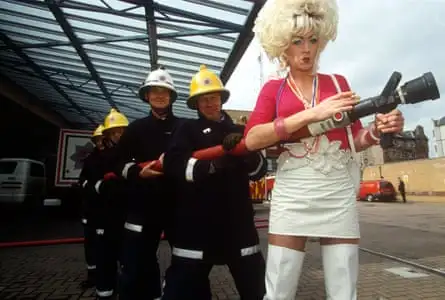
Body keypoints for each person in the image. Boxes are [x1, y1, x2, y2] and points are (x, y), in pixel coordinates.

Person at [244, 0, 405, 299]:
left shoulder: (338, 82)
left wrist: (377, 130)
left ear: (322, 40)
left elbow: (355, 138)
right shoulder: (273, 89)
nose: (306, 49)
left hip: (336, 190)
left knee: (344, 288)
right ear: (283, 45)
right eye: (297, 41)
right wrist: (311, 114)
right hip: (293, 190)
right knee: (280, 284)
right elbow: (252, 139)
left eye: (313, 40)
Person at [162, 65, 267, 300]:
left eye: (214, 98)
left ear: (221, 99)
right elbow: (173, 165)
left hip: (237, 225)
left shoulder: (241, 131)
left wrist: (247, 152)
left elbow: (260, 170)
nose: (210, 103)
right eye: (204, 99)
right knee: (184, 290)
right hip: (196, 226)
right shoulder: (185, 130)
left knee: (256, 289)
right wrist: (210, 166)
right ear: (196, 104)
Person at [113, 67, 190, 300]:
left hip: (177, 204)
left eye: (164, 91)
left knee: (186, 258)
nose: (159, 95)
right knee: (138, 261)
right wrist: (138, 172)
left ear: (171, 97)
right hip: (144, 206)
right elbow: (119, 163)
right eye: (154, 91)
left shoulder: (185, 127)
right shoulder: (136, 129)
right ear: (146, 95)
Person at [89, 109, 129, 299]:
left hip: (128, 216)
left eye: (121, 131)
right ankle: (105, 292)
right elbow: (88, 183)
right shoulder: (99, 159)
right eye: (114, 132)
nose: (118, 135)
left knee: (129, 260)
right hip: (105, 216)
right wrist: (101, 186)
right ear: (107, 136)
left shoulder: (132, 155)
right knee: (105, 258)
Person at [78, 124, 105, 289]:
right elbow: (82, 180)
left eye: (103, 139)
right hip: (91, 209)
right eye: (98, 140)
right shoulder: (90, 160)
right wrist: (92, 186)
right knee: (91, 245)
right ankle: (92, 275)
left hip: (110, 211)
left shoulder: (115, 157)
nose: (101, 143)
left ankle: (109, 273)